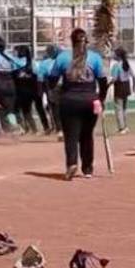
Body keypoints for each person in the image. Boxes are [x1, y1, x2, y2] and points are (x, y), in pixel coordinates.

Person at [46, 28, 109, 180]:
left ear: (72, 41)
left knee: (71, 136)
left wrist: (57, 89)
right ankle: (87, 169)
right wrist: (101, 99)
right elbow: (103, 81)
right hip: (90, 100)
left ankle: (71, 164)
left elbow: (52, 80)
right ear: (85, 41)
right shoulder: (94, 58)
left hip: (69, 100)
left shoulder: (62, 57)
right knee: (87, 135)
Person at [14, 45, 50, 135]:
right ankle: (46, 127)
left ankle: (33, 129)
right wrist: (40, 90)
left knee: (26, 111)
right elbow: (39, 76)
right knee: (39, 108)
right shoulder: (33, 62)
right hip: (34, 88)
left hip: (23, 90)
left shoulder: (16, 63)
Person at [110, 46, 135, 134]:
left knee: (118, 108)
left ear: (118, 55)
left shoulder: (116, 65)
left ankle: (121, 128)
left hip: (119, 87)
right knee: (124, 108)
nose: (113, 55)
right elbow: (134, 76)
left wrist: (107, 85)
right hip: (127, 86)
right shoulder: (127, 64)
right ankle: (125, 126)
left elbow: (114, 79)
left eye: (115, 53)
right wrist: (133, 87)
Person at [38, 45, 62, 138]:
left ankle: (59, 130)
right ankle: (63, 129)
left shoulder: (44, 63)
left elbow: (40, 78)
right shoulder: (63, 60)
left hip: (52, 86)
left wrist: (40, 91)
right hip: (65, 85)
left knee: (55, 109)